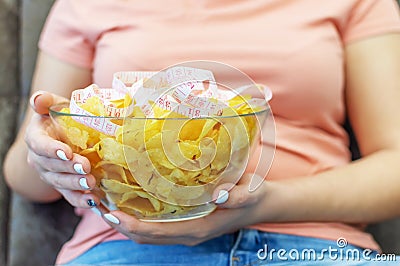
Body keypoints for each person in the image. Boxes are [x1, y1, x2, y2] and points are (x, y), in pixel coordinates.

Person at [3, 0, 400, 265]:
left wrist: (268, 203)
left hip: (319, 246)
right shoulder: (85, 4)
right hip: (127, 246)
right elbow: (26, 176)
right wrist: (46, 149)